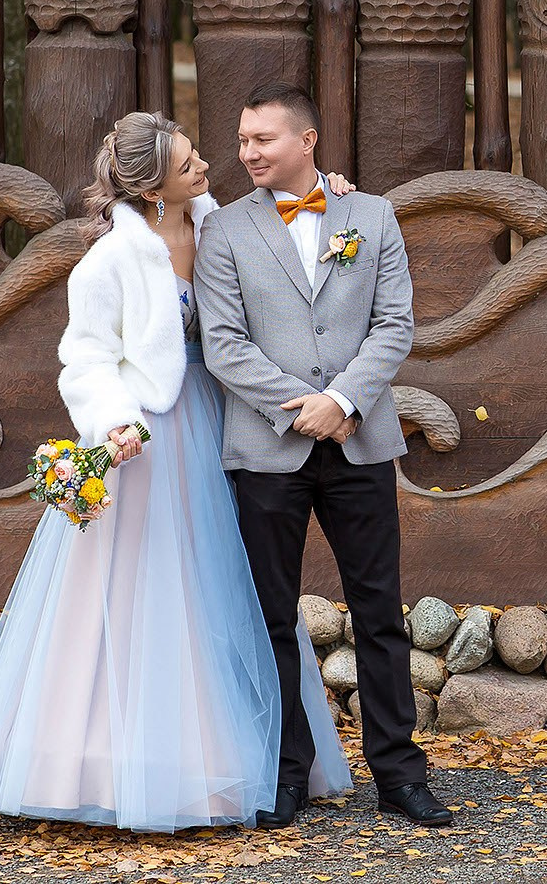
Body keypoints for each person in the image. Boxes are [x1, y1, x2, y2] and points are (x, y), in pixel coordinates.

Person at [0, 112, 354, 832]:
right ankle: (120, 766)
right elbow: (86, 356)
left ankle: (263, 753)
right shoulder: (109, 260)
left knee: (234, 583)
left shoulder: (223, 223)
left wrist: (335, 191)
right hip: (151, 434)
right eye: (189, 160)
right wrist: (113, 420)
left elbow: (294, 236)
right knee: (145, 594)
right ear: (151, 185)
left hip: (225, 420)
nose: (206, 164)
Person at [197, 83, 454, 829]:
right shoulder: (224, 230)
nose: (246, 153)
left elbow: (395, 322)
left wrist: (342, 401)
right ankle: (286, 772)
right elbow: (222, 343)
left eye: (262, 140)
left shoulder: (370, 215)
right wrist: (301, 406)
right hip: (265, 449)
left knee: (379, 612)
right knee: (270, 617)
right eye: (242, 140)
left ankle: (401, 776)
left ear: (307, 141)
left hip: (360, 441)